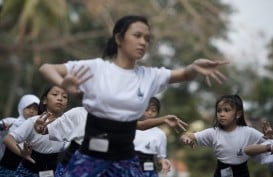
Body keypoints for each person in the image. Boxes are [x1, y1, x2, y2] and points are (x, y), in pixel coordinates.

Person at [38, 15, 229, 177]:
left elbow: (185, 74)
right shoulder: (97, 68)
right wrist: (62, 83)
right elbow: (46, 68)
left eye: (147, 38)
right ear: (119, 39)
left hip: (125, 158)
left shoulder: (149, 76)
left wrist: (194, 67)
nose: (143, 42)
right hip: (90, 155)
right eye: (137, 35)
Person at [33, 106, 186, 177]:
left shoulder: (115, 116)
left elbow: (140, 125)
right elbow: (49, 129)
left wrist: (163, 119)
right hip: (73, 167)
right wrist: (41, 129)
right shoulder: (78, 114)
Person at [180, 94, 266, 177]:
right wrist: (185, 139)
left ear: (238, 114)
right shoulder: (213, 133)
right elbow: (185, 136)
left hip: (242, 173)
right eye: (219, 111)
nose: (222, 114)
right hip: (221, 173)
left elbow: (269, 143)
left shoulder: (248, 132)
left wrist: (270, 136)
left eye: (226, 110)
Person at [3, 86, 69, 177]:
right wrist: (22, 153)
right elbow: (8, 139)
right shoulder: (33, 121)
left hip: (53, 172)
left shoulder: (68, 125)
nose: (60, 98)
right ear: (45, 100)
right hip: (27, 172)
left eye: (64, 97)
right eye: (55, 94)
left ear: (66, 104)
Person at [0, 94, 40, 177]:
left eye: (35, 109)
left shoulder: (38, 129)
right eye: (28, 107)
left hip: (22, 169)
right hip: (5, 165)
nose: (32, 111)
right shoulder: (11, 121)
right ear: (22, 107)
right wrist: (3, 128)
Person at [134, 97, 172, 177]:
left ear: (157, 113)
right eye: (146, 110)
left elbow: (160, 157)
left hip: (148, 171)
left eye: (153, 111)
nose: (150, 113)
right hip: (130, 168)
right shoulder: (131, 128)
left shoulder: (160, 134)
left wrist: (163, 161)